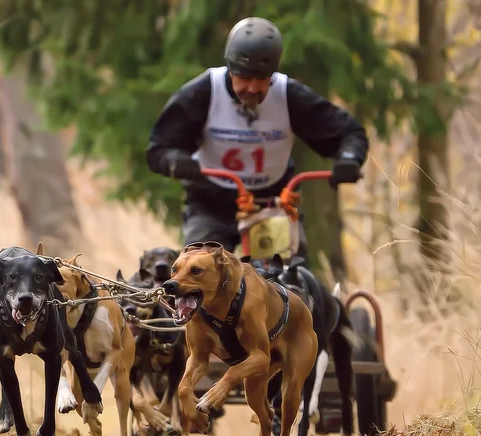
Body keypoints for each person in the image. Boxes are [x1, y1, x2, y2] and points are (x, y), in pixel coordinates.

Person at [146, 17, 370, 260]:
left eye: (262, 78)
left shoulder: (289, 95)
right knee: (199, 276)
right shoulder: (203, 92)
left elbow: (349, 133)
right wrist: (175, 161)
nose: (253, 88)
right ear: (230, 70)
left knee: (290, 280)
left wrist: (349, 159)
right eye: (244, 77)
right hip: (211, 205)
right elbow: (160, 148)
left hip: (272, 204)